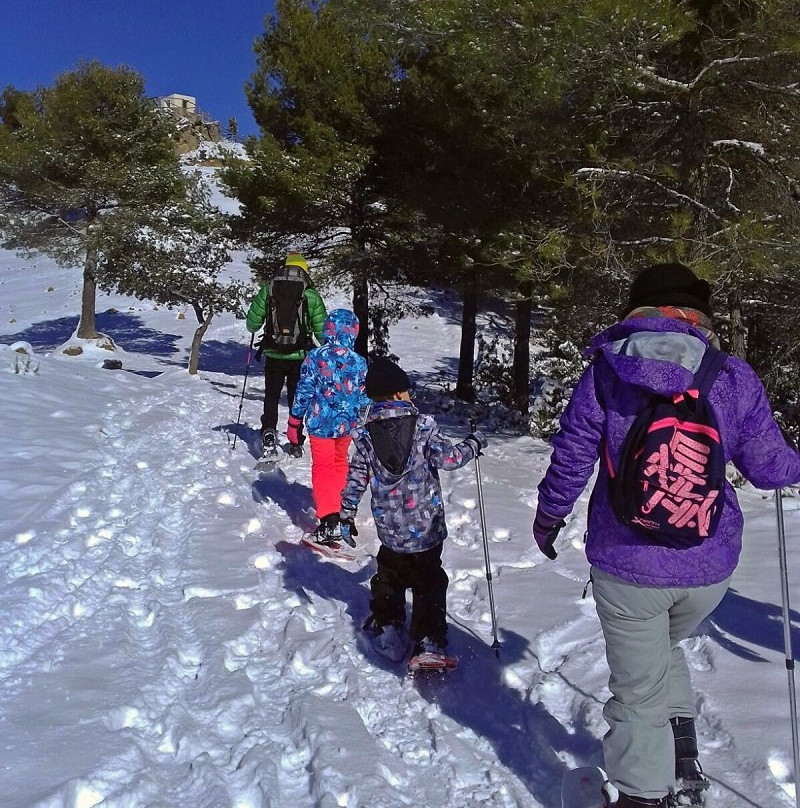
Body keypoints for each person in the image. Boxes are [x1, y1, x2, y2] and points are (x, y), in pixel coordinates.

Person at [532, 262, 800, 807]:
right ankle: (679, 748)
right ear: (696, 314)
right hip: (708, 563)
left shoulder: (607, 372)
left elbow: (574, 456)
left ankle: (641, 794)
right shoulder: (732, 375)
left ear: (638, 311)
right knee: (663, 647)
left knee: (636, 693)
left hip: (627, 563)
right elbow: (772, 470)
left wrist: (549, 515)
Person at [339, 356, 488, 664]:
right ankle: (429, 639)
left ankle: (390, 628)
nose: (409, 395)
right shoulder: (423, 428)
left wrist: (347, 511)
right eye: (406, 391)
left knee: (389, 578)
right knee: (429, 580)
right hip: (426, 528)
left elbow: (356, 478)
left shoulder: (366, 435)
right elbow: (449, 459)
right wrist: (473, 444)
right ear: (396, 394)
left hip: (390, 530)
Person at [288, 309, 369, 542]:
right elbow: (365, 397)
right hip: (347, 425)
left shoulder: (315, 357)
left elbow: (303, 391)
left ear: (328, 329)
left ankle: (330, 520)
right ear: (354, 332)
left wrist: (294, 421)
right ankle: (343, 514)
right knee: (340, 463)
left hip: (320, 423)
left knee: (323, 467)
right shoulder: (359, 361)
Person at [245, 252, 327, 458]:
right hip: (299, 355)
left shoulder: (269, 289)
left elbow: (252, 324)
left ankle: (269, 430)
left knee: (271, 394)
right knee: (296, 398)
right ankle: (296, 439)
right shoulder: (310, 294)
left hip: (273, 352)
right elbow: (323, 331)